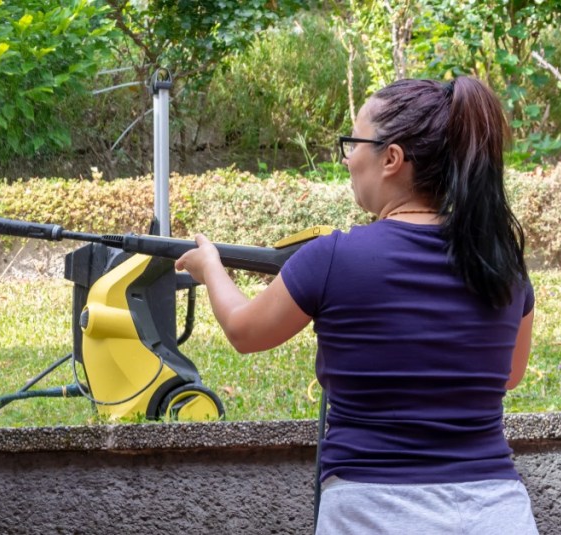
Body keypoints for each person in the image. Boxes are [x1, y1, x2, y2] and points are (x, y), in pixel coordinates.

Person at [174, 76, 537, 534]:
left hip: (373, 512)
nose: (347, 157)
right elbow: (509, 374)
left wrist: (211, 268)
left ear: (392, 159)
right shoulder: (502, 263)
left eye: (353, 142)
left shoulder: (333, 258)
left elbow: (245, 332)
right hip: (495, 511)